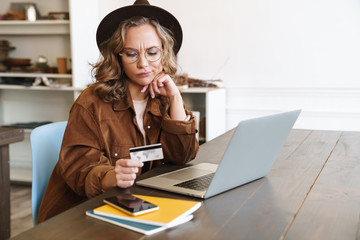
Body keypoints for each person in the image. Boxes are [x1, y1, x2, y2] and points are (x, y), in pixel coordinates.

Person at [37, 0, 199, 223]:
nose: (143, 63)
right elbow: (78, 168)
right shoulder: (91, 102)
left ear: (164, 53)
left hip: (138, 205)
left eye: (152, 52)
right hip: (80, 215)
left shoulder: (164, 98)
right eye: (131, 53)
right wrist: (109, 176)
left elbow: (183, 156)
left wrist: (175, 98)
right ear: (117, 56)